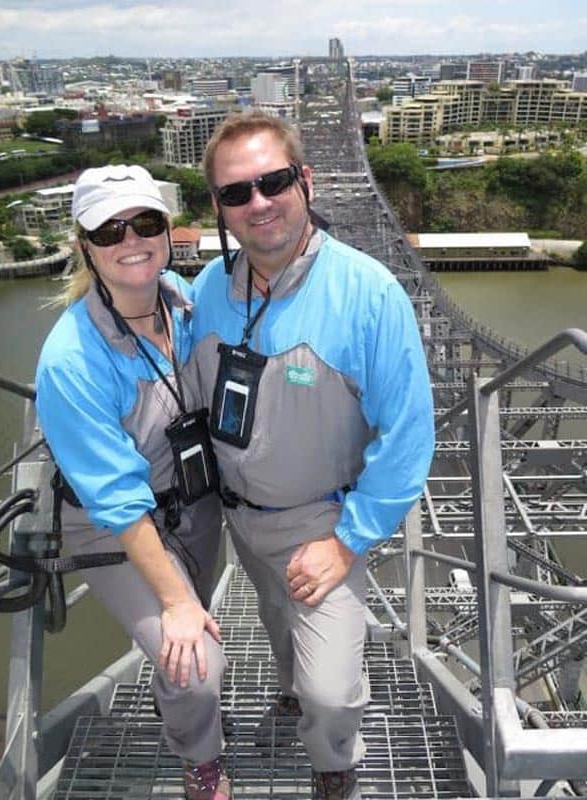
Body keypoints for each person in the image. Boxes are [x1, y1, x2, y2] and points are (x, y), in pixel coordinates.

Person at [188, 111, 435, 800]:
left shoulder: (368, 294)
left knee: (330, 690)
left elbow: (409, 435)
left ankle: (333, 762)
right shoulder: (206, 289)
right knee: (274, 624)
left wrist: (348, 540)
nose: (257, 202)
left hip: (322, 525)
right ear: (218, 207)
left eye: (272, 181)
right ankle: (289, 692)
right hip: (238, 518)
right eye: (236, 192)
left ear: (305, 180)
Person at [35, 164, 230, 800]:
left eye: (145, 223)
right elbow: (117, 501)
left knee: (182, 648)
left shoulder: (182, 298)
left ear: (168, 230)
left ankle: (172, 699)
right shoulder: (73, 359)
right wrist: (175, 602)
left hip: (193, 500)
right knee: (197, 663)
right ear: (84, 245)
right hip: (118, 526)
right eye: (109, 229)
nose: (131, 240)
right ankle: (200, 761)